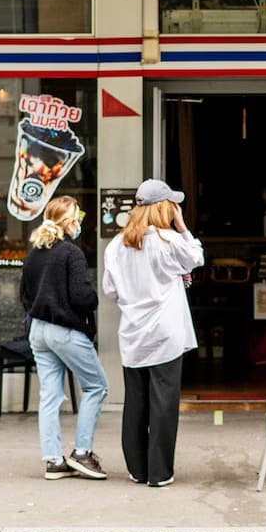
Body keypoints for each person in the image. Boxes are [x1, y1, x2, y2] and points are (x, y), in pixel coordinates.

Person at [102, 179, 204, 487]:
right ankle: (159, 472)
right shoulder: (168, 241)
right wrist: (183, 225)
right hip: (165, 334)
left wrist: (134, 302)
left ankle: (137, 469)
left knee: (135, 402)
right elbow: (196, 257)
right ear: (163, 208)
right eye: (172, 205)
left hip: (133, 334)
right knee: (163, 403)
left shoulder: (116, 246)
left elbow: (111, 291)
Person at [20, 196, 108, 480]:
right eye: (78, 217)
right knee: (96, 387)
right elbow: (82, 297)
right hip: (65, 331)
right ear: (70, 222)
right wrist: (94, 298)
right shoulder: (71, 252)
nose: (80, 222)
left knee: (50, 395)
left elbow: (24, 295)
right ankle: (82, 453)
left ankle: (53, 461)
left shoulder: (34, 251)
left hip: (38, 330)